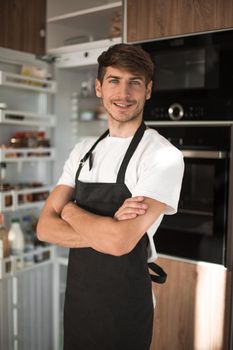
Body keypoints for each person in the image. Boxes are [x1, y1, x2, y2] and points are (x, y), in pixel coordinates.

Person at [37, 43, 184, 350]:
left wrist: (69, 211)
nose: (124, 93)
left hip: (125, 307)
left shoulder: (162, 155)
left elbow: (120, 242)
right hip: (79, 302)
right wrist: (108, 230)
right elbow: (44, 229)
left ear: (148, 90)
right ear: (99, 87)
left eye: (135, 82)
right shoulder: (82, 151)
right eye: (114, 80)